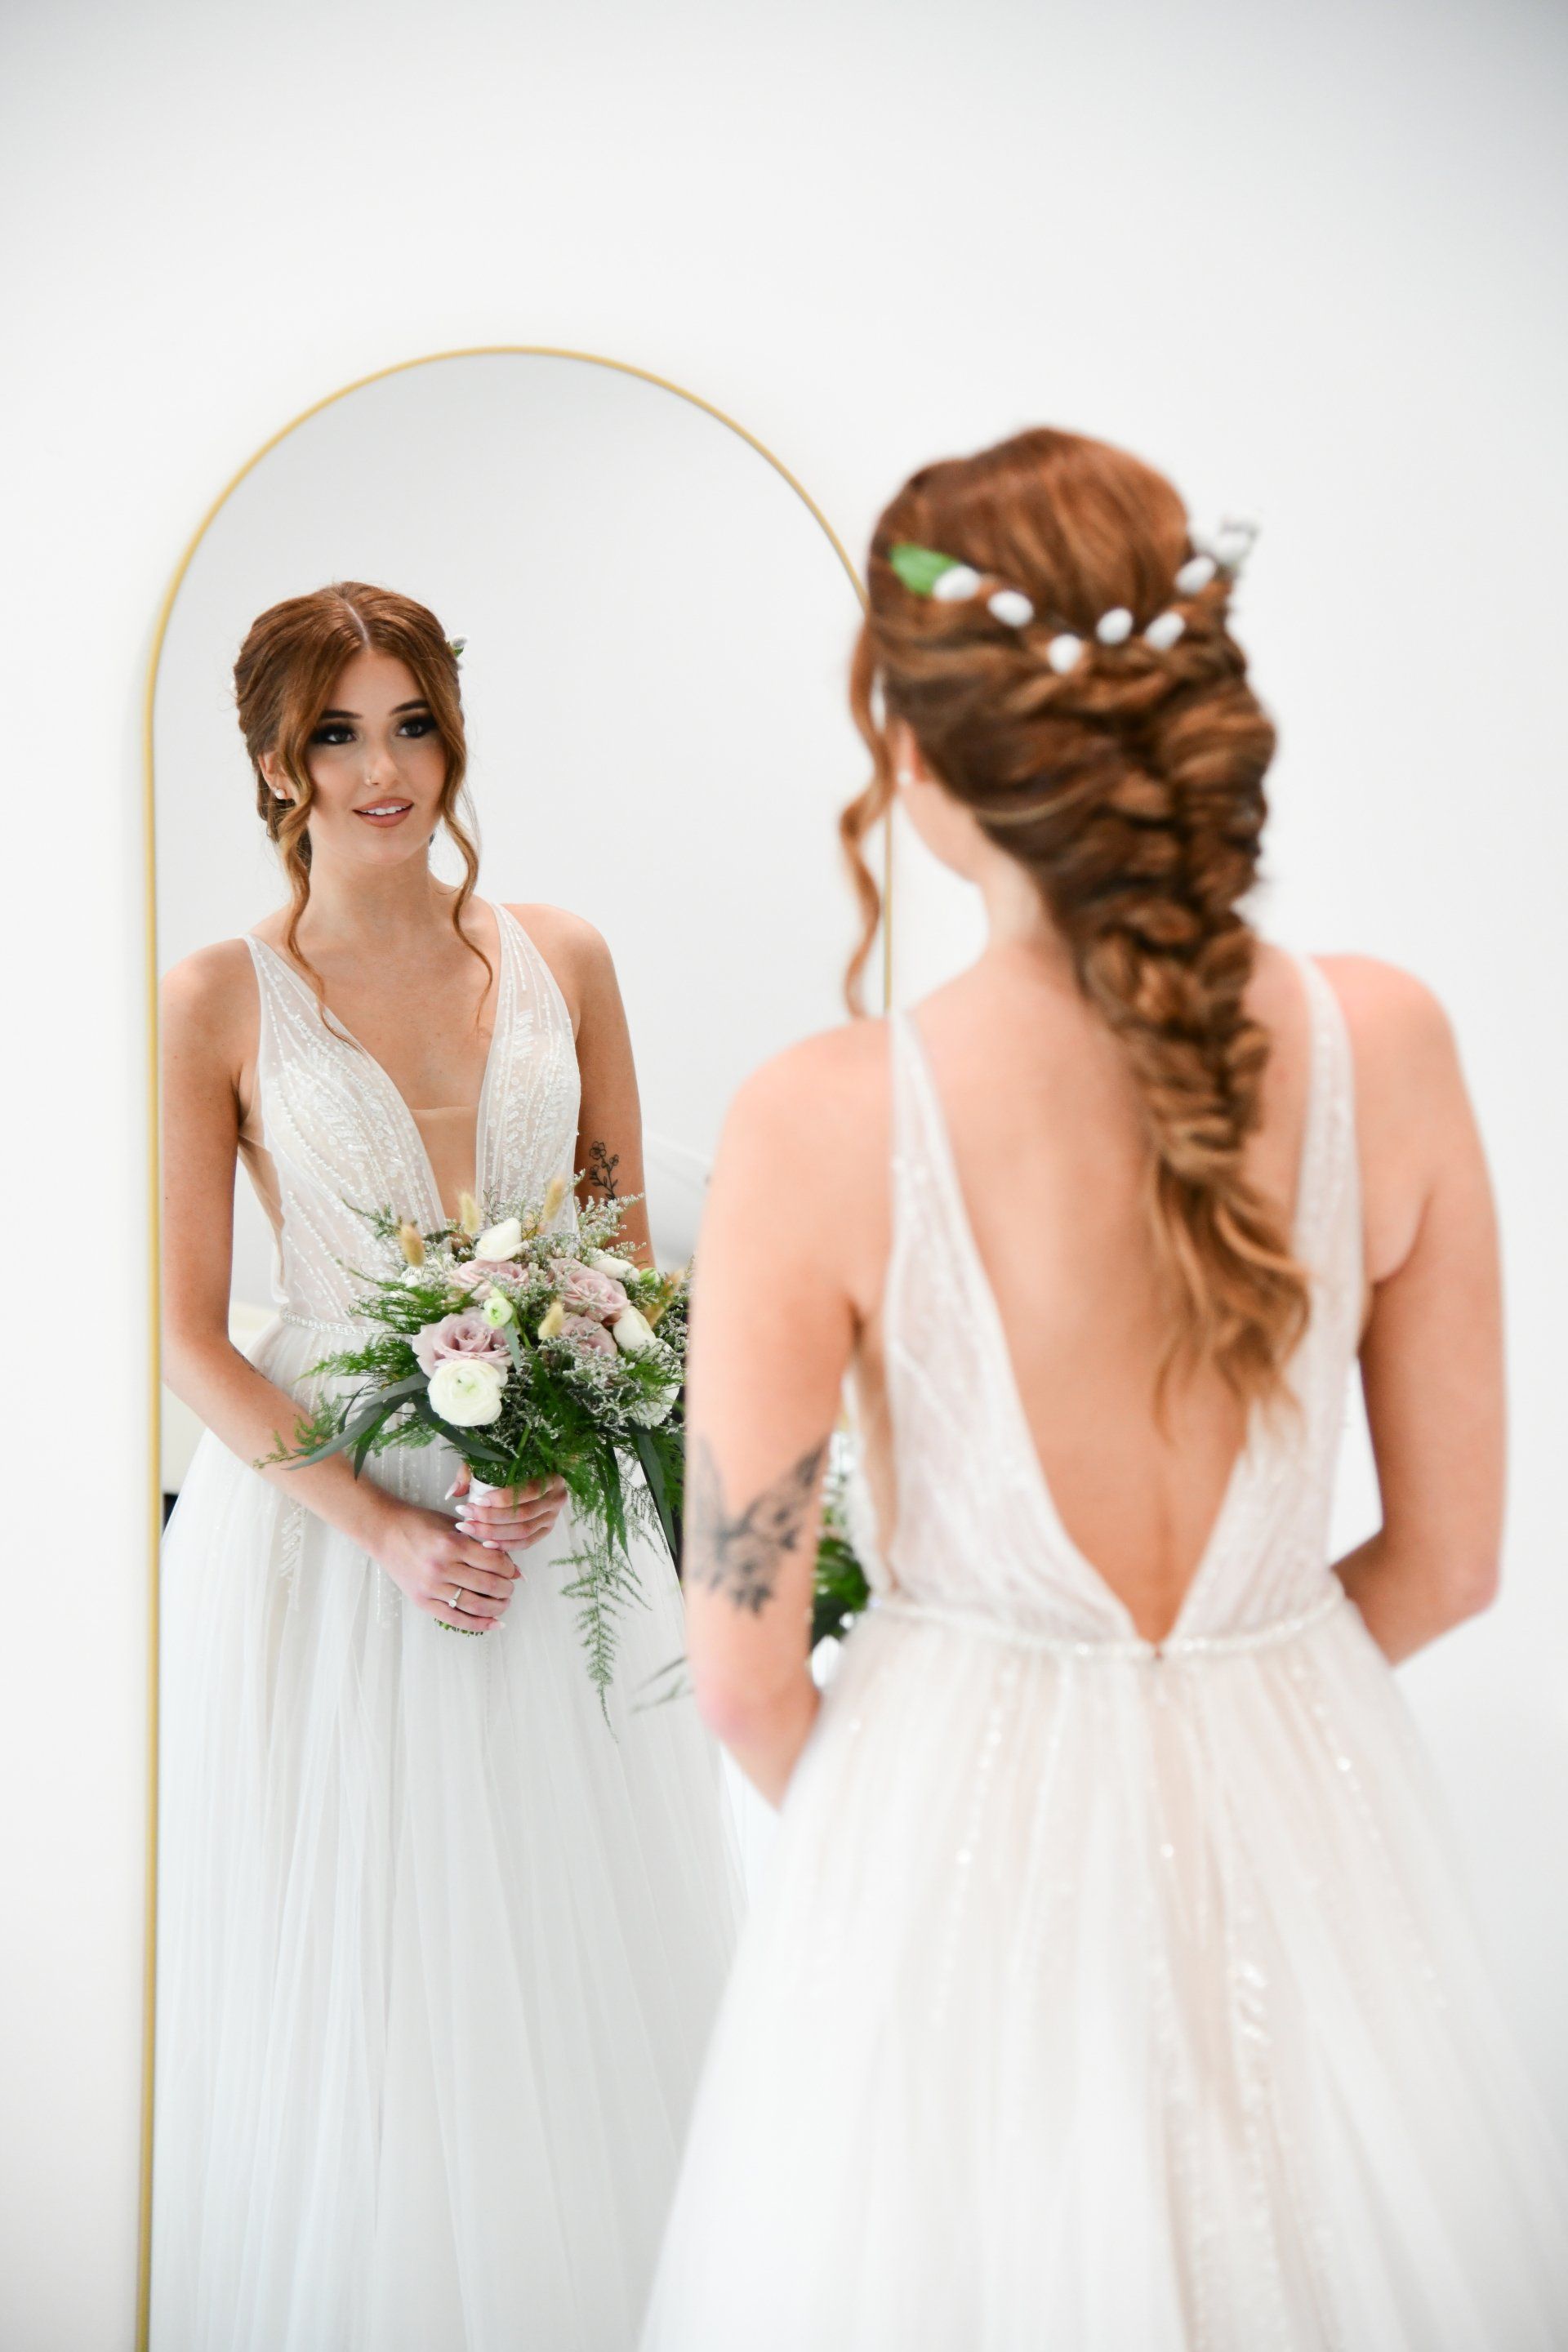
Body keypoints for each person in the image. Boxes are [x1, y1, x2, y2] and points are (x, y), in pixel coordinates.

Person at [640, 432, 1568, 2349]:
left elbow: (738, 1668)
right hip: (1302, 1815)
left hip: (947, 1853)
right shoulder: (1386, 1041)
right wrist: (1229, 1709)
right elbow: (1457, 1562)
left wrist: (959, 1814)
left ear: (915, 746)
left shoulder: (821, 1121)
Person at [152, 583, 740, 2351]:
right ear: (275, 757)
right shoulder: (213, 998)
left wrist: (575, 1422)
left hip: (547, 1516)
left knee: (564, 1959)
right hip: (329, 1540)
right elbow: (184, 1331)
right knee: (360, 1981)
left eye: (411, 722)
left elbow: (628, 1253)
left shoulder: (566, 953)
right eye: (339, 730)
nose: (383, 766)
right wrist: (383, 1540)